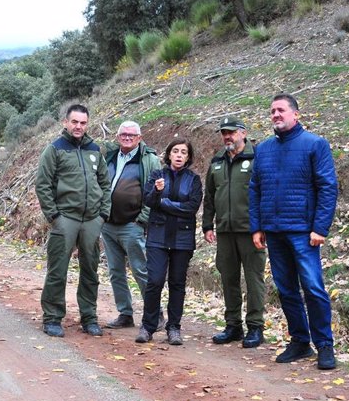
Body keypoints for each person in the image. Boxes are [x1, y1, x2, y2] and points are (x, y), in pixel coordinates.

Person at [249, 93, 338, 370]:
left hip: (303, 232)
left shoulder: (315, 144)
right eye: (272, 111)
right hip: (274, 232)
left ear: (295, 114)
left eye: (281, 110)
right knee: (286, 289)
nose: (276, 114)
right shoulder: (263, 149)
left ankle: (325, 346)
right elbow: (255, 189)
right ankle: (300, 342)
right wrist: (257, 226)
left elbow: (328, 187)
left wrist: (320, 227)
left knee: (312, 288)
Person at [35, 104, 111, 338]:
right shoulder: (55, 149)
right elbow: (43, 185)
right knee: (58, 270)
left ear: (87, 124)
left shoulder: (94, 149)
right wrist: (54, 216)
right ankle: (52, 317)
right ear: (65, 123)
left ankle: (89, 317)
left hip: (91, 220)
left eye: (83, 123)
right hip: (65, 218)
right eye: (74, 122)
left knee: (91, 270)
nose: (78, 126)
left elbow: (105, 184)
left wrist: (102, 215)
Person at [203, 116, 267, 348]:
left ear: (243, 132)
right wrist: (207, 225)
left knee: (254, 280)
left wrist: (263, 226)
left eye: (231, 132)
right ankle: (233, 326)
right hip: (225, 232)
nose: (227, 136)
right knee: (228, 278)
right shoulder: (217, 161)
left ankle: (256, 327)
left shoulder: (257, 157)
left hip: (251, 232)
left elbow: (265, 193)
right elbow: (209, 196)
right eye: (223, 133)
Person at [135, 138, 202, 346]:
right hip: (157, 237)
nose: (179, 155)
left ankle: (174, 327)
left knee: (177, 283)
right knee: (154, 281)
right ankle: (148, 325)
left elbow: (191, 207)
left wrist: (164, 203)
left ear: (188, 157)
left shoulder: (194, 179)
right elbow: (147, 201)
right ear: (169, 155)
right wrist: (156, 192)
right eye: (175, 151)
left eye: (183, 152)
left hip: (183, 239)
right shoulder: (157, 176)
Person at [101, 121, 161, 329]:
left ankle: (155, 313)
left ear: (139, 138)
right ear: (118, 137)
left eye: (131, 135)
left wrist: (142, 220)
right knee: (115, 271)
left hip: (132, 225)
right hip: (108, 224)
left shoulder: (149, 160)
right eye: (123, 134)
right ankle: (125, 313)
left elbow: (155, 192)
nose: (127, 137)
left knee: (141, 270)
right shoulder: (109, 156)